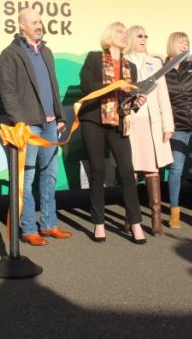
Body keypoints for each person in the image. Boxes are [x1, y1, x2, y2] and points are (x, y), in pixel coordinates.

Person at [0, 8, 72, 246]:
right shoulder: (10, 54)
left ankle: (49, 225)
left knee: (50, 175)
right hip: (28, 125)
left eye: (40, 21)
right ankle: (29, 229)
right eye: (34, 22)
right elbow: (7, 92)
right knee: (26, 178)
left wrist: (60, 116)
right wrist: (20, 122)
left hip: (50, 124)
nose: (39, 25)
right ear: (22, 26)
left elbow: (53, 86)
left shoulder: (47, 51)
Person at [79, 22, 147, 244]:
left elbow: (129, 102)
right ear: (109, 35)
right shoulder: (93, 58)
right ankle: (99, 223)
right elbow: (87, 86)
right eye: (120, 32)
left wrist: (137, 101)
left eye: (127, 34)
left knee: (127, 172)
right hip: (94, 121)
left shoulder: (131, 67)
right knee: (98, 172)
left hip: (119, 121)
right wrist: (115, 86)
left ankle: (135, 223)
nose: (125, 36)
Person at [124, 25, 174, 236]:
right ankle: (131, 216)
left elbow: (163, 95)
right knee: (132, 170)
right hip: (131, 123)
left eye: (146, 35)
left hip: (151, 123)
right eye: (140, 35)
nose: (144, 38)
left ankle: (156, 217)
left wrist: (168, 125)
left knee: (153, 168)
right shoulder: (124, 62)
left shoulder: (155, 62)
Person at [164, 32, 192, 230]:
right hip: (178, 128)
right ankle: (175, 211)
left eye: (187, 43)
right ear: (173, 45)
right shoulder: (163, 71)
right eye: (181, 43)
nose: (185, 46)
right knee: (175, 170)